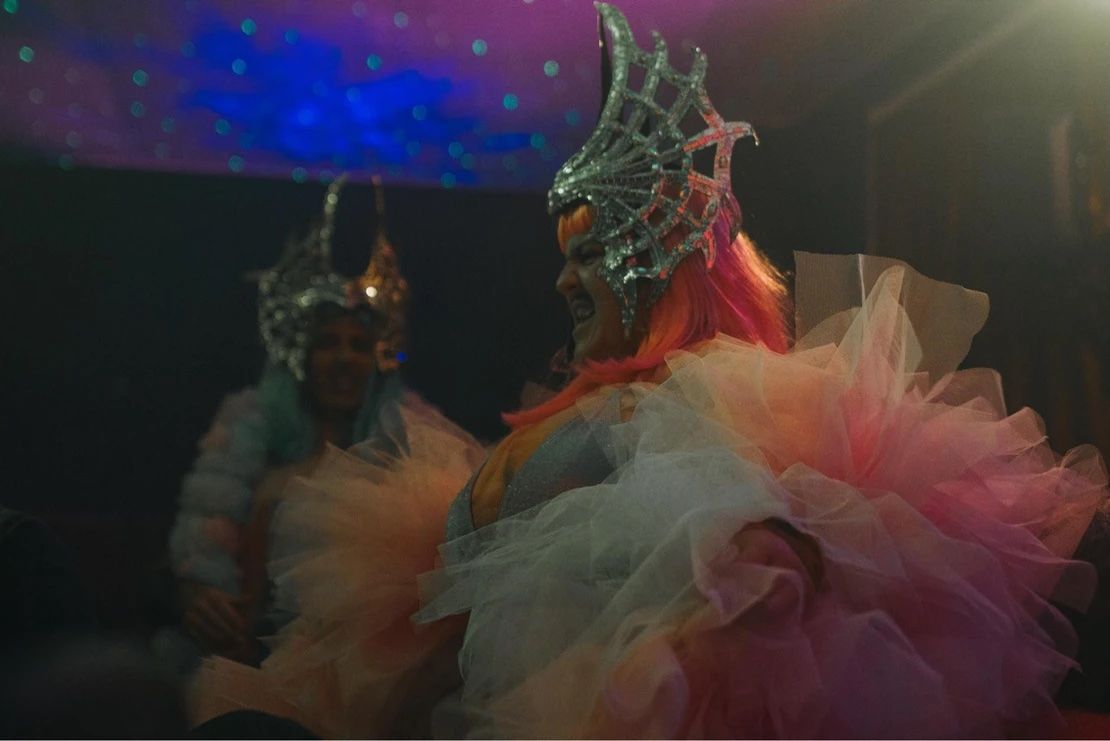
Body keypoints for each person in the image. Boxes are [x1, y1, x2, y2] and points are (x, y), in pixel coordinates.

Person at [407, 4, 1109, 737]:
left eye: (586, 256)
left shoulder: (704, 399)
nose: (562, 284)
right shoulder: (603, 410)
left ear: (657, 269)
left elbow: (755, 566)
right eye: (565, 260)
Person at [165, 176, 416, 666]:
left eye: (358, 345)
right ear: (301, 356)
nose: (343, 359)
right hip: (247, 654)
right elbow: (200, 550)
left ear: (378, 359)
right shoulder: (250, 434)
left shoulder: (407, 447)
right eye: (328, 343)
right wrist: (198, 598)